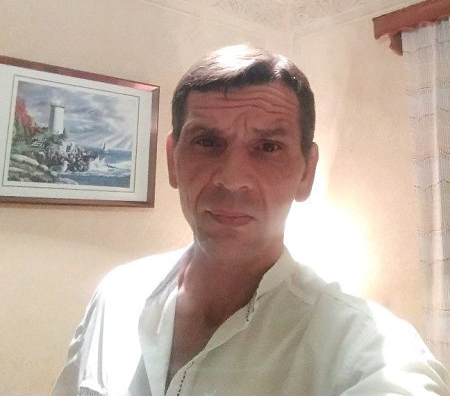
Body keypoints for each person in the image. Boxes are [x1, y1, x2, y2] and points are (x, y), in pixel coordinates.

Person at [52, 44, 448, 396]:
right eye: (207, 142)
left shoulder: (366, 351)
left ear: (306, 172)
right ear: (173, 160)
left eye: (268, 147)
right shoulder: (116, 295)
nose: (232, 179)